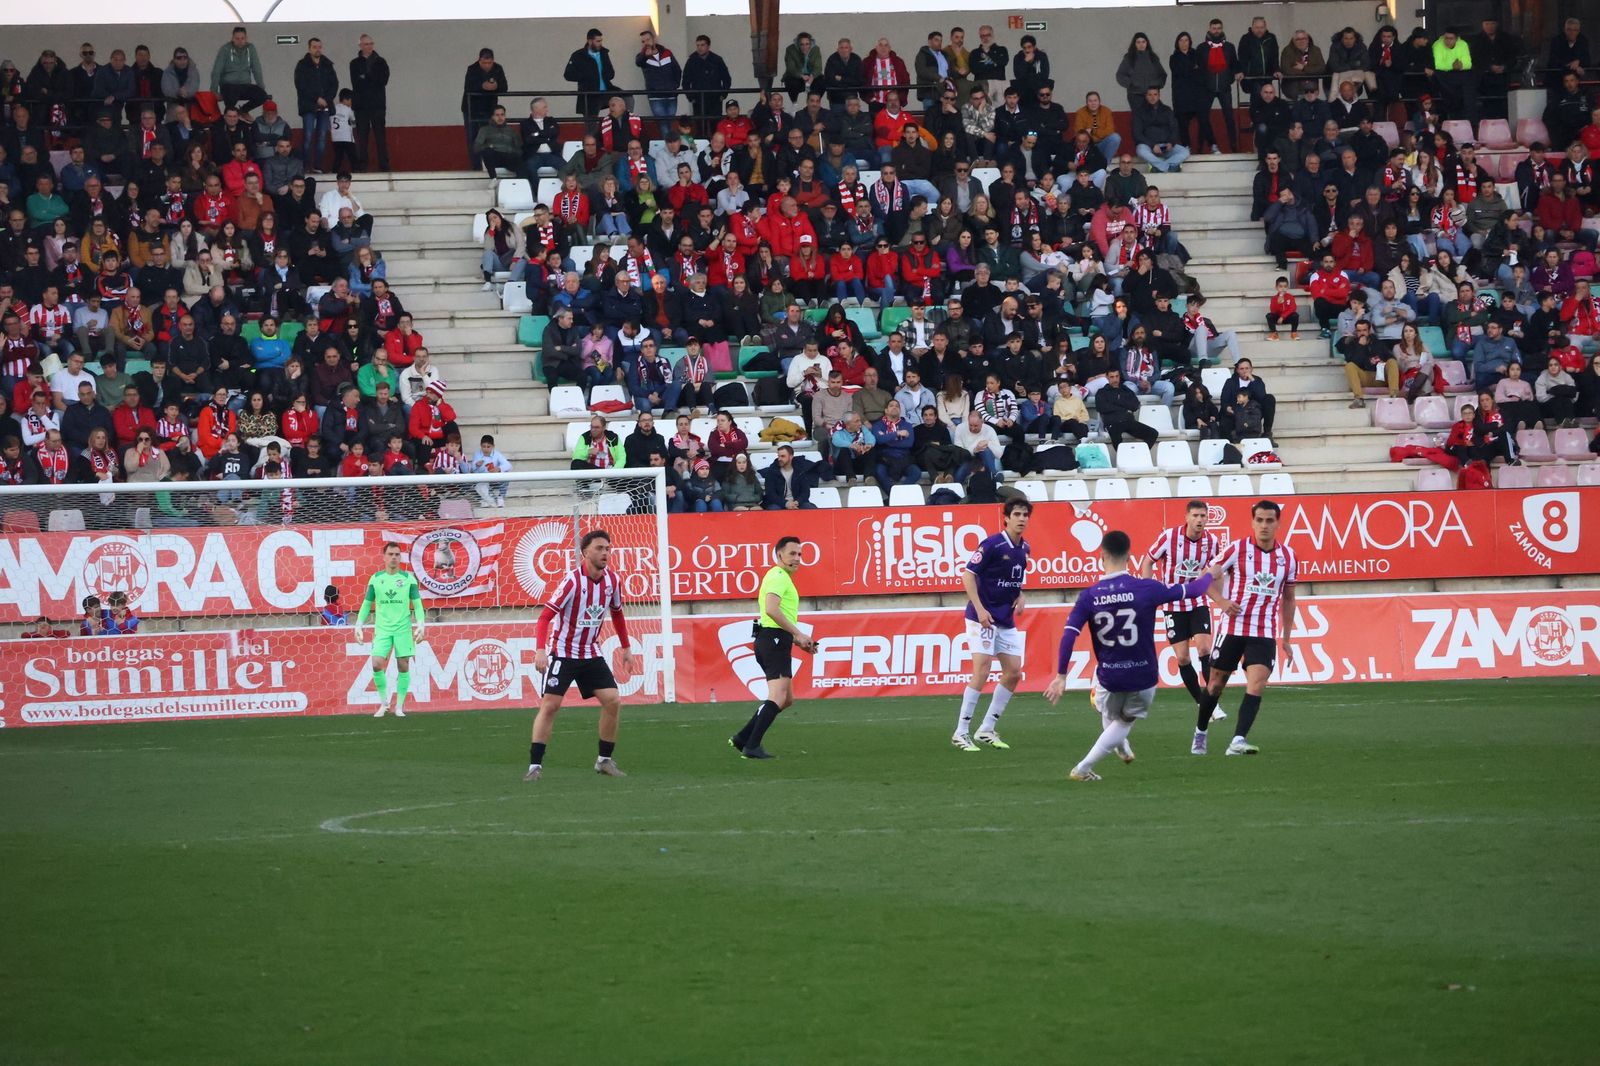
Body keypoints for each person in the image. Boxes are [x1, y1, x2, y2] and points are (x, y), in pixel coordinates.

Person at [1045, 529, 1221, 781]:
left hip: (1109, 674)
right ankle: (1084, 767)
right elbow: (1193, 591)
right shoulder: (1146, 588)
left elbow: (1069, 635)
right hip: (1143, 673)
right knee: (1124, 720)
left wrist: (1061, 675)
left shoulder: (1089, 596)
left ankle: (1119, 743)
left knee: (1110, 714)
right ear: (1129, 557)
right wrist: (1208, 575)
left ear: (1102, 556)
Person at [525, 529, 636, 782]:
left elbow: (617, 613)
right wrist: (541, 650)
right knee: (550, 706)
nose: (605, 553)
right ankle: (534, 766)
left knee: (613, 700)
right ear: (585, 552)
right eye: (599, 548)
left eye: (607, 548)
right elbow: (545, 617)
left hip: (591, 652)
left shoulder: (613, 581)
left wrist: (626, 647)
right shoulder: (572, 582)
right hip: (564, 653)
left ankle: (604, 761)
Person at [1192, 500, 1298, 757]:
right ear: (1252, 522)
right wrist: (1221, 601)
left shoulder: (1288, 557)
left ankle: (1238, 740)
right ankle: (1201, 731)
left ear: (1278, 523)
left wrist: (1286, 638)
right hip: (1233, 628)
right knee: (1215, 684)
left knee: (1257, 682)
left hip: (1263, 632)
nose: (1264, 525)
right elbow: (1204, 578)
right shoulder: (1237, 549)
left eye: (1269, 520)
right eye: (1259, 520)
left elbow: (1289, 598)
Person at [952, 497, 1031, 752]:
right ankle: (961, 732)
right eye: (1017, 514)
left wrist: (1020, 595)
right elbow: (968, 575)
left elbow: (1012, 580)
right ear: (1006, 518)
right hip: (982, 618)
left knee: (1014, 672)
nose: (1021, 519)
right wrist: (980, 608)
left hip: (1004, 619)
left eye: (1025, 515)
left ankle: (986, 728)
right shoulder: (992, 544)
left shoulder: (1024, 548)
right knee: (982, 669)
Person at [728, 535, 819, 759]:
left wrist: (798, 640)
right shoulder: (778, 576)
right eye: (792, 554)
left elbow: (774, 616)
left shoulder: (780, 577)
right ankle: (752, 746)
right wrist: (797, 633)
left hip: (775, 639)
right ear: (779, 555)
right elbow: (771, 609)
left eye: (800, 554)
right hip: (773, 640)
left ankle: (742, 738)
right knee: (778, 696)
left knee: (786, 699)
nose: (797, 558)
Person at [1141, 500, 1223, 714]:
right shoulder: (1169, 537)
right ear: (1186, 517)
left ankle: (1212, 702)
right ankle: (1201, 702)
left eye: (1203, 516)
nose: (1199, 520)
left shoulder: (1212, 542)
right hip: (1173, 603)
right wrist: (1147, 591)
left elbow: (1218, 570)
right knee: (1183, 657)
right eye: (1195, 515)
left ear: (1207, 518)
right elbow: (1148, 561)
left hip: (1198, 601)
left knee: (1205, 649)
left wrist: (1221, 599)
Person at [353, 541, 426, 718]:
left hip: (403, 629)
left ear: (400, 557)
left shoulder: (408, 579)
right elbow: (367, 603)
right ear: (384, 557)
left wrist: (421, 624)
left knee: (403, 666)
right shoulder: (376, 578)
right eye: (390, 554)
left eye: (397, 554)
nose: (394, 557)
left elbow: (417, 604)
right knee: (376, 663)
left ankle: (399, 707)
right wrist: (358, 625)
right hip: (383, 630)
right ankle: (384, 703)